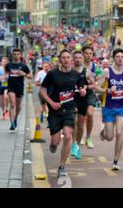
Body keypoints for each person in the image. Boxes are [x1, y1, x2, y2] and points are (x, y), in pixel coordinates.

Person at [39, 49, 86, 177]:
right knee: (55, 142)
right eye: (63, 58)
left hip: (70, 109)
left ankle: (62, 166)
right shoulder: (52, 74)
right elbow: (42, 91)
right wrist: (51, 103)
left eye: (68, 57)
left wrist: (83, 92)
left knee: (68, 135)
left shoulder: (76, 74)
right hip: (55, 110)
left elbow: (82, 88)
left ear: (71, 60)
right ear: (59, 60)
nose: (66, 60)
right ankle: (53, 144)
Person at [96, 48, 123, 170]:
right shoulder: (107, 72)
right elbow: (97, 87)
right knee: (110, 136)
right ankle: (104, 133)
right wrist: (107, 90)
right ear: (113, 58)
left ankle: (116, 161)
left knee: (119, 133)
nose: (120, 58)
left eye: (122, 56)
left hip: (121, 107)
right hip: (108, 107)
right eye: (117, 56)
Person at [71, 51, 96, 159]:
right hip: (72, 99)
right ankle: (73, 144)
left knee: (80, 125)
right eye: (75, 58)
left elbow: (93, 84)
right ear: (73, 59)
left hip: (83, 99)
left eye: (79, 58)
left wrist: (86, 88)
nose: (77, 59)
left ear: (82, 59)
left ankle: (77, 145)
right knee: (73, 122)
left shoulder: (87, 72)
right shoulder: (69, 71)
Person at [6, 48, 32, 131]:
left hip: (19, 87)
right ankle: (12, 123)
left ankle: (16, 117)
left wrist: (23, 74)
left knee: (18, 106)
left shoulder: (24, 66)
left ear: (20, 55)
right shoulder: (8, 65)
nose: (16, 56)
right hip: (11, 87)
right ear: (12, 55)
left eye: (18, 54)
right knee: (12, 104)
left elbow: (30, 76)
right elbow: (5, 74)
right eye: (15, 54)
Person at [81, 45, 98, 149]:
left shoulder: (94, 66)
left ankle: (88, 137)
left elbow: (95, 80)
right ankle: (80, 137)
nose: (88, 55)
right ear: (83, 54)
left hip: (90, 93)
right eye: (86, 53)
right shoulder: (78, 65)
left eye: (90, 53)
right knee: (80, 117)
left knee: (90, 114)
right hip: (79, 93)